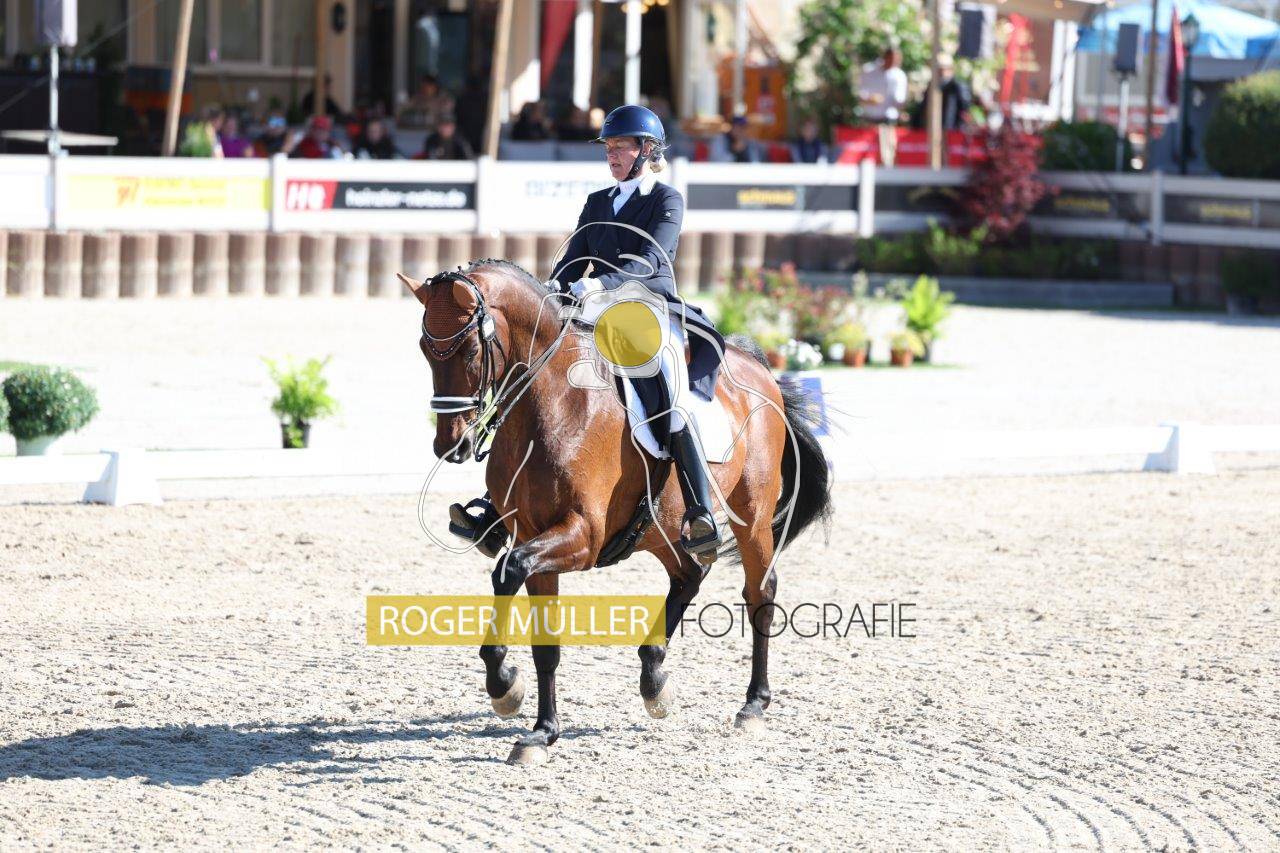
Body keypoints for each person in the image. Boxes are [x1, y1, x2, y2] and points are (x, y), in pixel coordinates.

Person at [448, 104, 728, 563]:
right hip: (593, 311)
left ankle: (700, 511)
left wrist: (602, 284)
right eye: (608, 147)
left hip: (647, 310)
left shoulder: (666, 199)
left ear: (647, 150)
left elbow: (654, 260)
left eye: (621, 147)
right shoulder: (598, 202)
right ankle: (495, 505)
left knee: (669, 383)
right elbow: (574, 257)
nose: (612, 155)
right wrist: (553, 289)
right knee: (532, 372)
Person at [858, 45, 908, 165]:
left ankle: (887, 170)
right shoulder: (869, 71)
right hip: (870, 118)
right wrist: (870, 99)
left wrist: (901, 108)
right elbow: (861, 94)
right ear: (885, 57)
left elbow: (901, 99)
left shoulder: (899, 75)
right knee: (867, 152)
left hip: (888, 119)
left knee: (887, 152)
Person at [911, 54, 973, 131]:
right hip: (931, 130)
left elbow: (964, 109)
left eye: (941, 69)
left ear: (950, 69)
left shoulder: (956, 86)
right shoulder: (932, 86)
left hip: (951, 132)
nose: (938, 72)